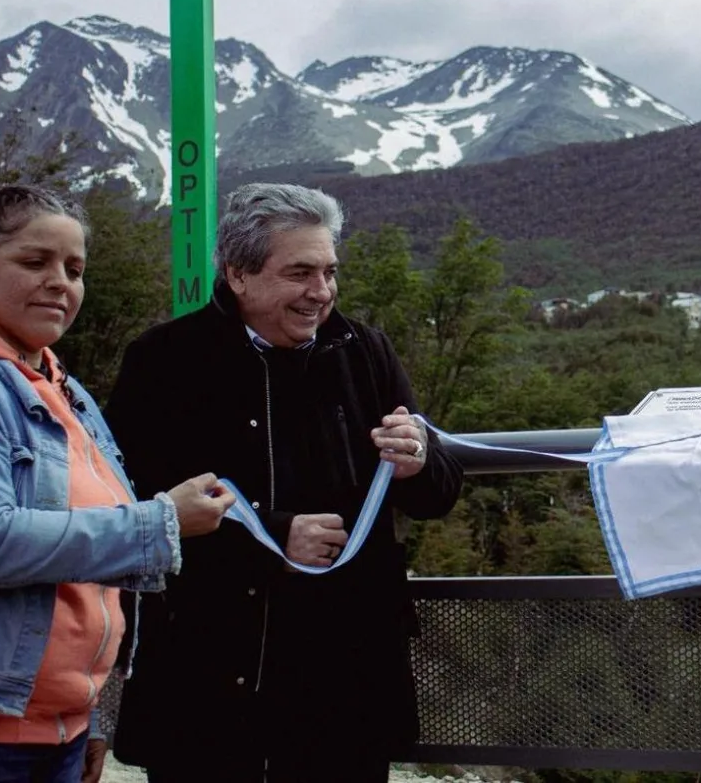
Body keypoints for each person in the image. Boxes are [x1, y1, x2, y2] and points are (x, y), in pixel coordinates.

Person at [107, 183, 465, 783]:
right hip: (208, 677)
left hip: (343, 678)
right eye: (300, 273)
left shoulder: (366, 352)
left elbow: (439, 495)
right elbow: (134, 508)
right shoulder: (164, 361)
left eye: (329, 272)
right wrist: (273, 541)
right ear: (238, 274)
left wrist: (419, 463)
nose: (320, 293)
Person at [0, 185, 233, 783]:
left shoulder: (64, 388)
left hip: (56, 727)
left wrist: (97, 712)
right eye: (35, 262)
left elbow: (96, 584)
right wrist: (162, 521)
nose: (61, 282)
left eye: (75, 268)